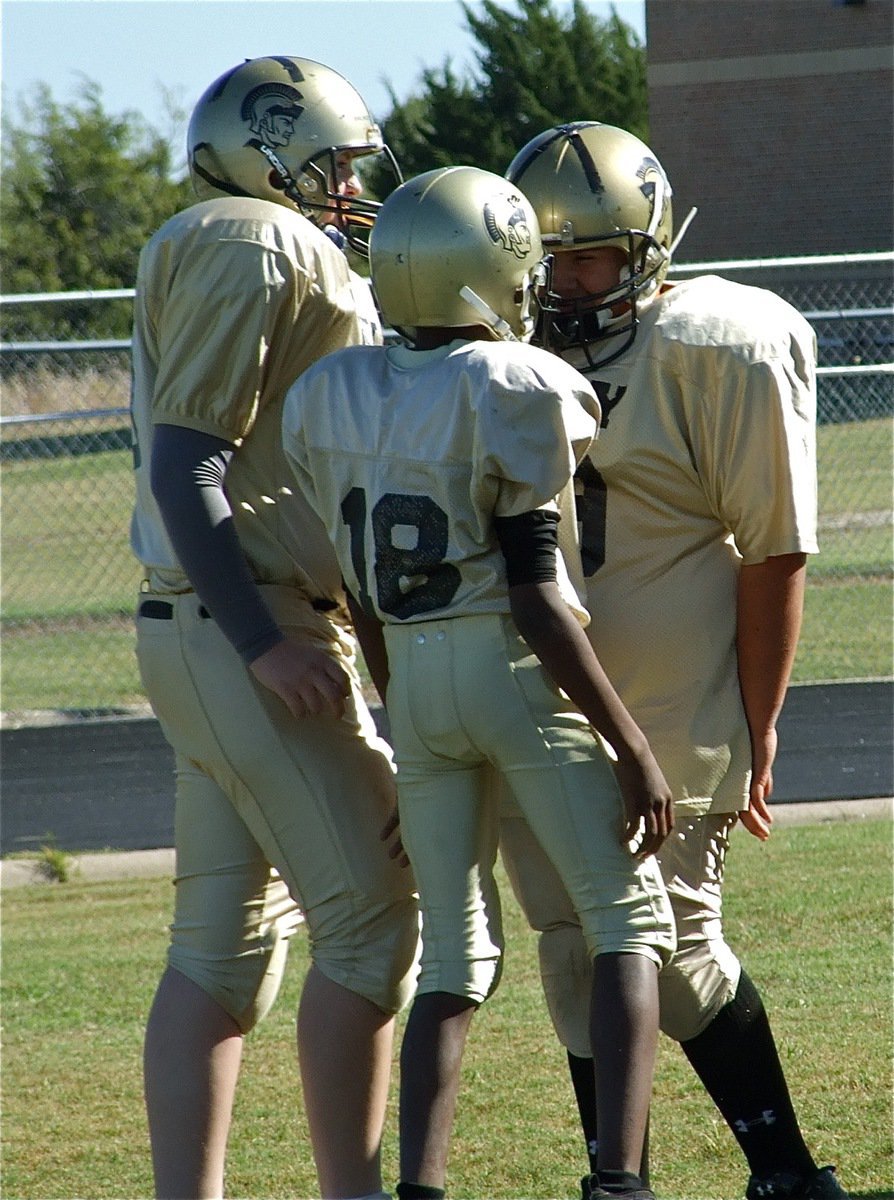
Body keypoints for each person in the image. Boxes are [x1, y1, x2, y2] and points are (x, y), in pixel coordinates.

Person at [282, 164, 678, 1200]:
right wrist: (631, 745)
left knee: (456, 961)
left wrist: (409, 724)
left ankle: (420, 1188)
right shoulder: (517, 385)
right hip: (508, 666)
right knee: (629, 923)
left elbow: (363, 599)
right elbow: (540, 598)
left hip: (412, 675)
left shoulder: (336, 390)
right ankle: (621, 1181)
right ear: (492, 271)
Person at [500, 121, 847, 1200]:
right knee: (573, 948)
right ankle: (627, 1180)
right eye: (543, 257)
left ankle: (782, 1171)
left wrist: (760, 716)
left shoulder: (716, 343)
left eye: (588, 255)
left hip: (674, 709)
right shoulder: (495, 354)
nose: (562, 283)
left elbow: (773, 549)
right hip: (542, 703)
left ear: (647, 248)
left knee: (674, 950)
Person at [129, 55, 419, 1200]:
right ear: (274, 151)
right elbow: (186, 457)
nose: (348, 190)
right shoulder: (255, 238)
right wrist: (263, 640)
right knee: (374, 930)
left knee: (222, 952)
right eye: (335, 166)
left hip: (209, 625)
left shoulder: (229, 236)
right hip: (244, 625)